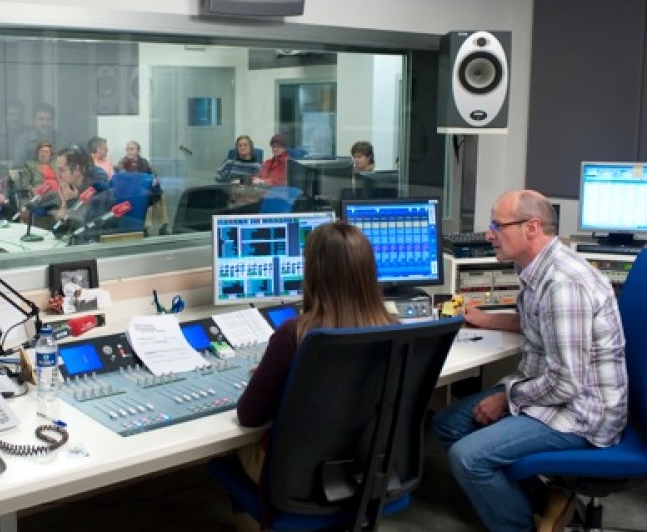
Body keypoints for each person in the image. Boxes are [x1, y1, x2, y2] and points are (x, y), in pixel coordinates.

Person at [432, 189, 628, 532]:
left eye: (497, 225)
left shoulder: (563, 284)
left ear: (531, 228)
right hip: (554, 391)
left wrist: (507, 401)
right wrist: (488, 320)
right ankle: (547, 504)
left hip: (582, 412)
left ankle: (522, 526)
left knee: (468, 458)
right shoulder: (538, 269)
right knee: (448, 423)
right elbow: (537, 320)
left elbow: (567, 382)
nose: (489, 234)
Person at [236, 222, 395, 485]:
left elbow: (249, 416)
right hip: (365, 469)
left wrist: (272, 378)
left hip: (296, 477)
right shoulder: (393, 331)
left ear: (313, 273)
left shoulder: (294, 334)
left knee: (231, 448)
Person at [52, 146, 112, 240]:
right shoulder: (70, 189)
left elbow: (89, 233)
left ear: (76, 170)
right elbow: (58, 232)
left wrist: (71, 202)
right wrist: (64, 205)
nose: (58, 175)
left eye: (62, 170)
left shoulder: (98, 191)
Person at [12, 102, 55, 168]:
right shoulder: (23, 141)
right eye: (41, 119)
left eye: (49, 119)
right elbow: (18, 167)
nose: (45, 123)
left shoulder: (60, 138)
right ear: (33, 121)